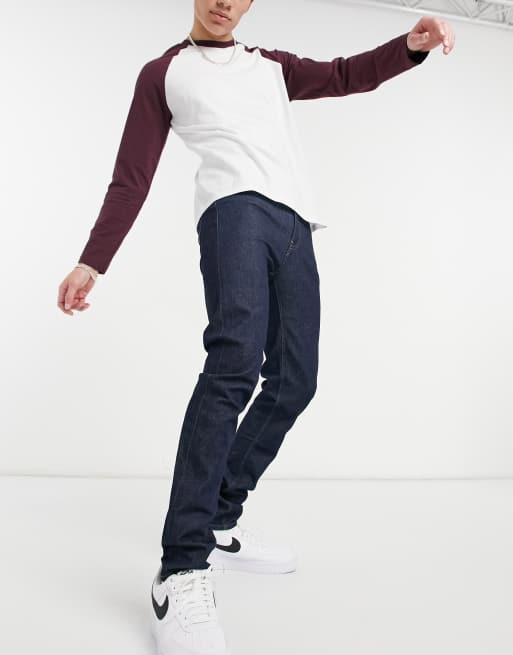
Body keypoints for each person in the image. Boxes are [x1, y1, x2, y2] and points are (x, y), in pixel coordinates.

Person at [57, 2, 454, 653]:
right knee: (234, 365)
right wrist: (92, 260)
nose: (223, 1)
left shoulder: (270, 66)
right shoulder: (164, 73)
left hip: (294, 223)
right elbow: (132, 177)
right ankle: (180, 565)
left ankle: (218, 518)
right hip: (233, 213)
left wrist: (407, 46)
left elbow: (344, 74)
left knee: (295, 379)